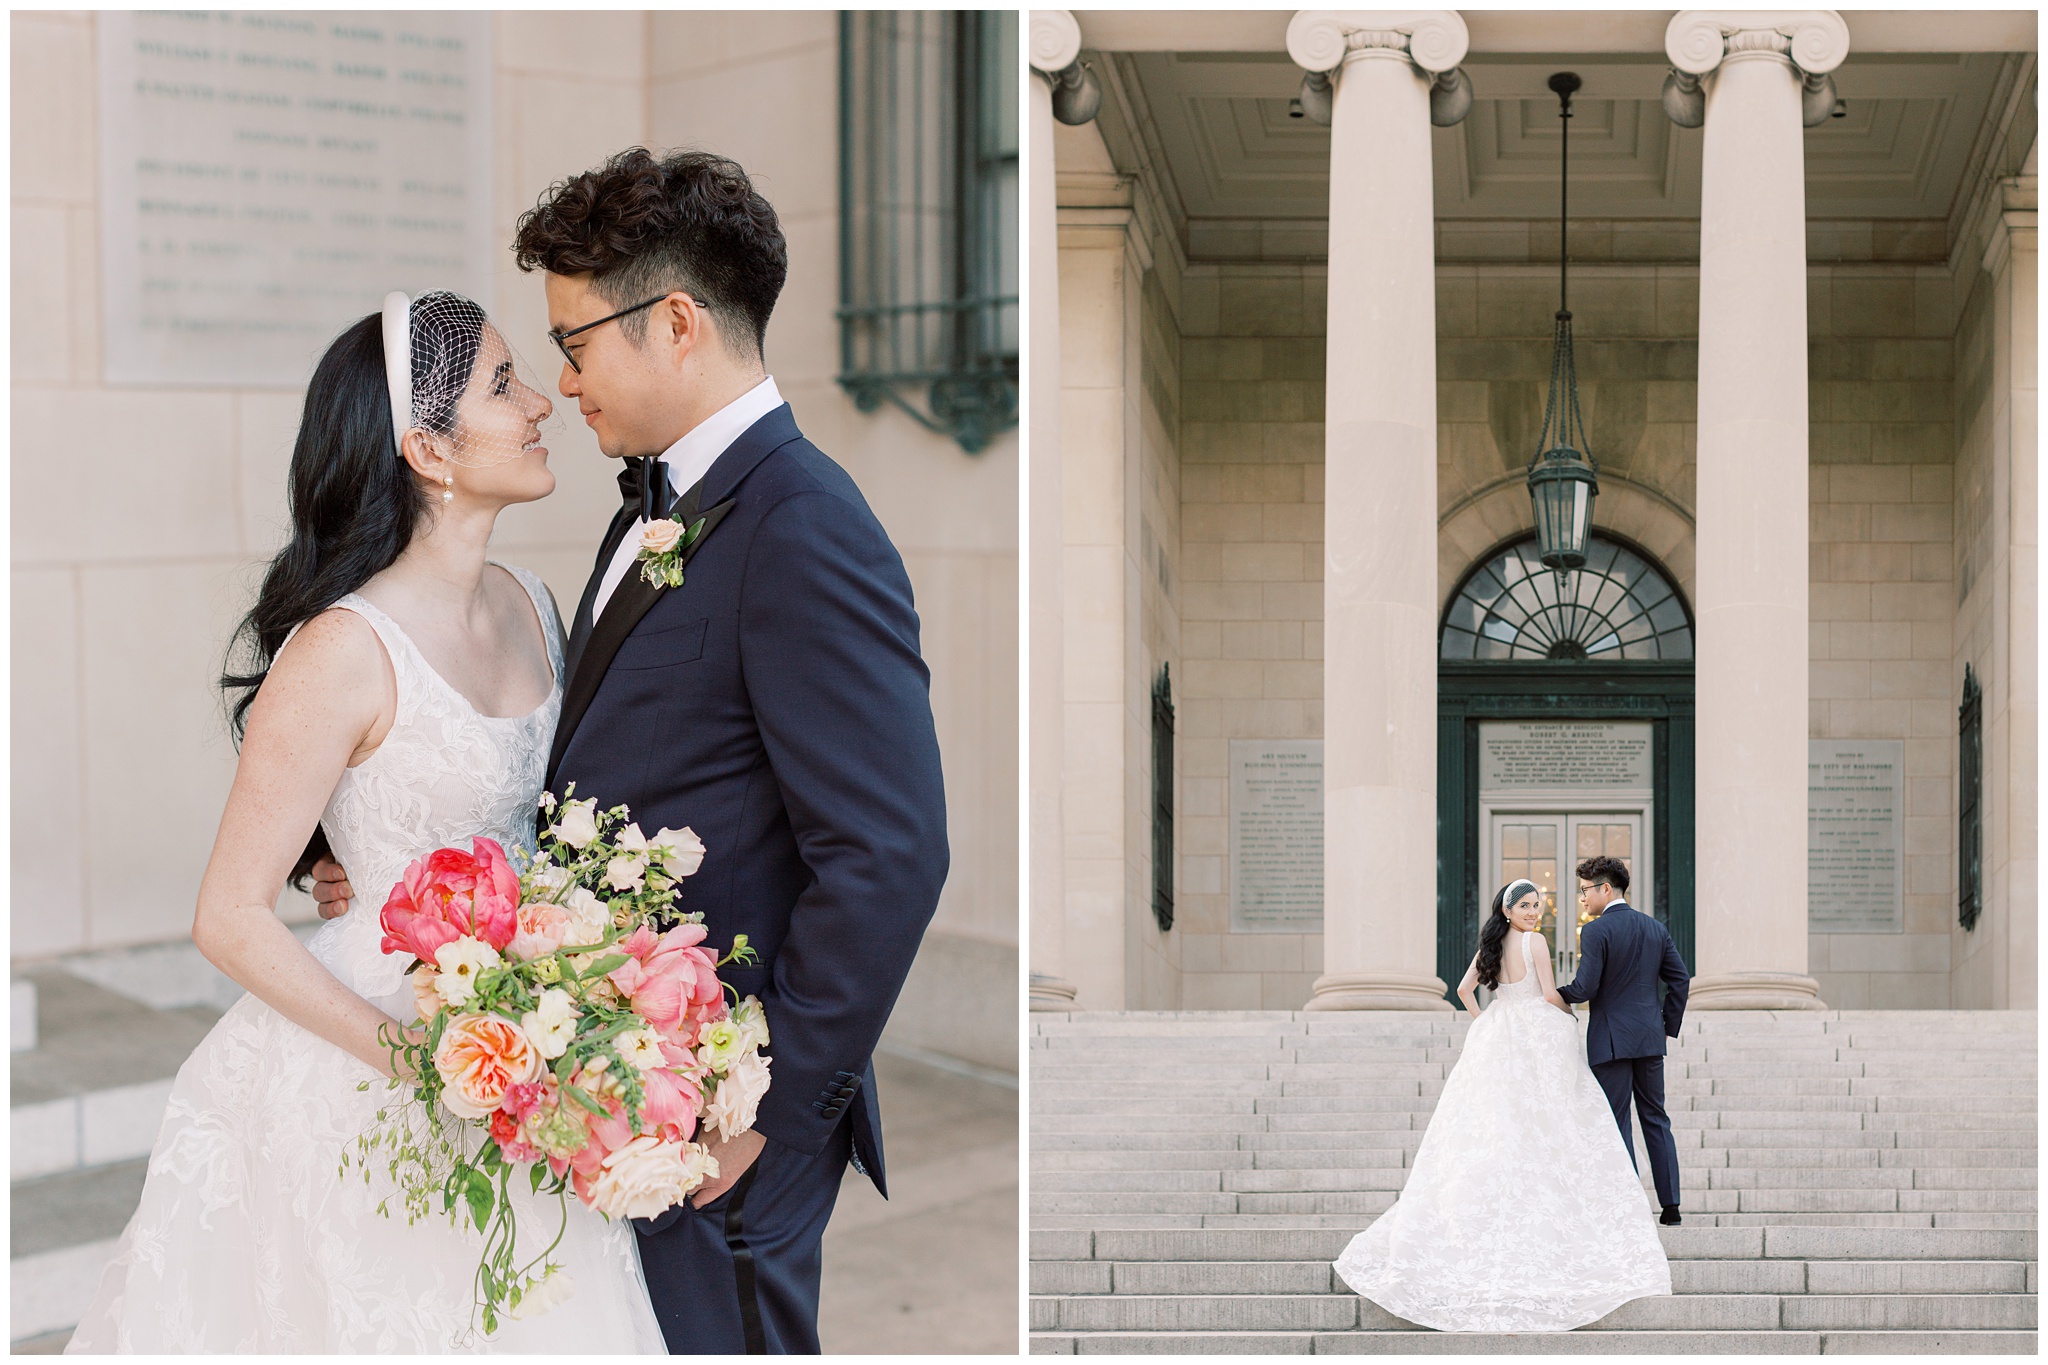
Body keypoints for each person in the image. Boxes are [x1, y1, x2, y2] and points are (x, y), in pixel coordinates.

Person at [308, 149, 951, 1354]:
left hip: (719, 1123)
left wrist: (769, 1114)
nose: (559, 380)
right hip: (609, 1093)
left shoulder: (803, 524)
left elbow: (888, 852)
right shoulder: (650, 506)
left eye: (577, 340)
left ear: (674, 324)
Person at [68, 292, 667, 1352]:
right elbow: (229, 916)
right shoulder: (342, 651)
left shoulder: (532, 604)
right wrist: (416, 1056)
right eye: (501, 383)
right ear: (426, 447)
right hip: (374, 1062)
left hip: (530, 1045)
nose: (539, 402)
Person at [1333, 879, 1670, 1332]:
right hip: (1537, 1029)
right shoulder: (1535, 942)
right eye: (1526, 905)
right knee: (1549, 1115)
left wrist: (1485, 1022)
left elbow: (1463, 989)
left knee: (1500, 1119)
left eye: (1538, 906)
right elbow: (1550, 994)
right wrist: (1568, 1016)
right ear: (1509, 909)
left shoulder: (1490, 945)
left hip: (1501, 1030)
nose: (1534, 912)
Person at [1556, 854, 1691, 1226]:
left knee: (1616, 1122)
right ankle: (1671, 1206)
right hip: (1649, 1039)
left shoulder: (1596, 931)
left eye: (1585, 890)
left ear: (1605, 889)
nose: (1582, 898)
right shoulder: (1655, 928)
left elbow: (1585, 988)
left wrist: (1551, 995)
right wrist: (1666, 1024)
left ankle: (1629, 1206)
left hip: (1611, 1042)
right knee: (1656, 1119)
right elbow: (1680, 980)